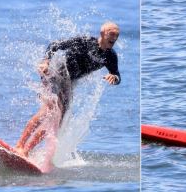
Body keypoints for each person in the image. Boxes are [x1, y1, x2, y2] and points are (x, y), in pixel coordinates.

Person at [15, 22, 121, 158]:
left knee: (58, 121)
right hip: (55, 73)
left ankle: (27, 150)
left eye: (117, 35)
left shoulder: (110, 56)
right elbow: (55, 45)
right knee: (49, 109)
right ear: (102, 33)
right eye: (112, 34)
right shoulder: (85, 42)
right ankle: (19, 145)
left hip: (68, 83)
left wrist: (114, 78)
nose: (114, 38)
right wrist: (46, 61)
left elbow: (117, 75)